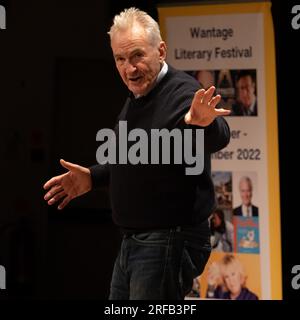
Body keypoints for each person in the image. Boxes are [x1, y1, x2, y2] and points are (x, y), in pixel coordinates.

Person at [43, 8, 231, 300]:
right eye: (121, 59)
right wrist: (93, 176)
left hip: (168, 238)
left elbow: (219, 135)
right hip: (135, 241)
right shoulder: (138, 98)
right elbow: (134, 157)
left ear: (161, 51)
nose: (129, 68)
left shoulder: (182, 92)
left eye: (137, 56)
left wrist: (201, 123)